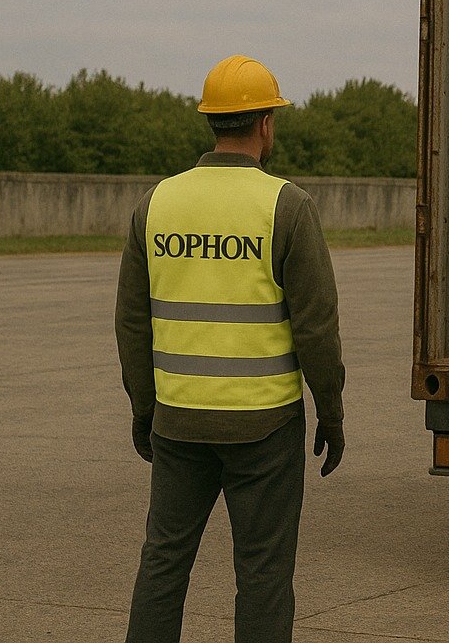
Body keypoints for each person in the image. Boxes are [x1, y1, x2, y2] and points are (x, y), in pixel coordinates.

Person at [115, 54, 346, 643]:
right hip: (265, 428)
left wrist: (144, 408)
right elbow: (317, 328)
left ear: (212, 121)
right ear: (265, 124)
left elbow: (132, 323)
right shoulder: (287, 206)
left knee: (163, 564)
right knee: (264, 575)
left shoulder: (156, 204)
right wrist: (331, 410)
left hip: (178, 421)